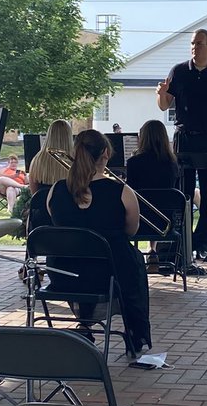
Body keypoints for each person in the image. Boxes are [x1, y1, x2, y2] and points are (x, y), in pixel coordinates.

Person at [46, 130, 152, 353]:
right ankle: (135, 334)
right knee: (133, 260)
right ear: (106, 153)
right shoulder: (122, 192)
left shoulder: (55, 190)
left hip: (64, 276)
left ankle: (85, 324)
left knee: (88, 256)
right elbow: (131, 231)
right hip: (108, 275)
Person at [156, 28, 207, 264]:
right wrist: (161, 94)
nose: (195, 47)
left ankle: (202, 244)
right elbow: (163, 106)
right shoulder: (179, 71)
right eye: (193, 43)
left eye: (200, 43)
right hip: (183, 137)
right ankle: (180, 244)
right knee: (181, 191)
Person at [125, 120, 182, 273]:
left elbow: (131, 193)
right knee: (156, 205)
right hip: (166, 223)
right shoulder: (172, 164)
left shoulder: (134, 163)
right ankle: (152, 250)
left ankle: (131, 258)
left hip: (139, 222)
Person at [24, 120, 73, 235]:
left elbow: (34, 194)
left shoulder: (37, 159)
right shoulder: (77, 160)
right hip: (70, 221)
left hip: (41, 222)